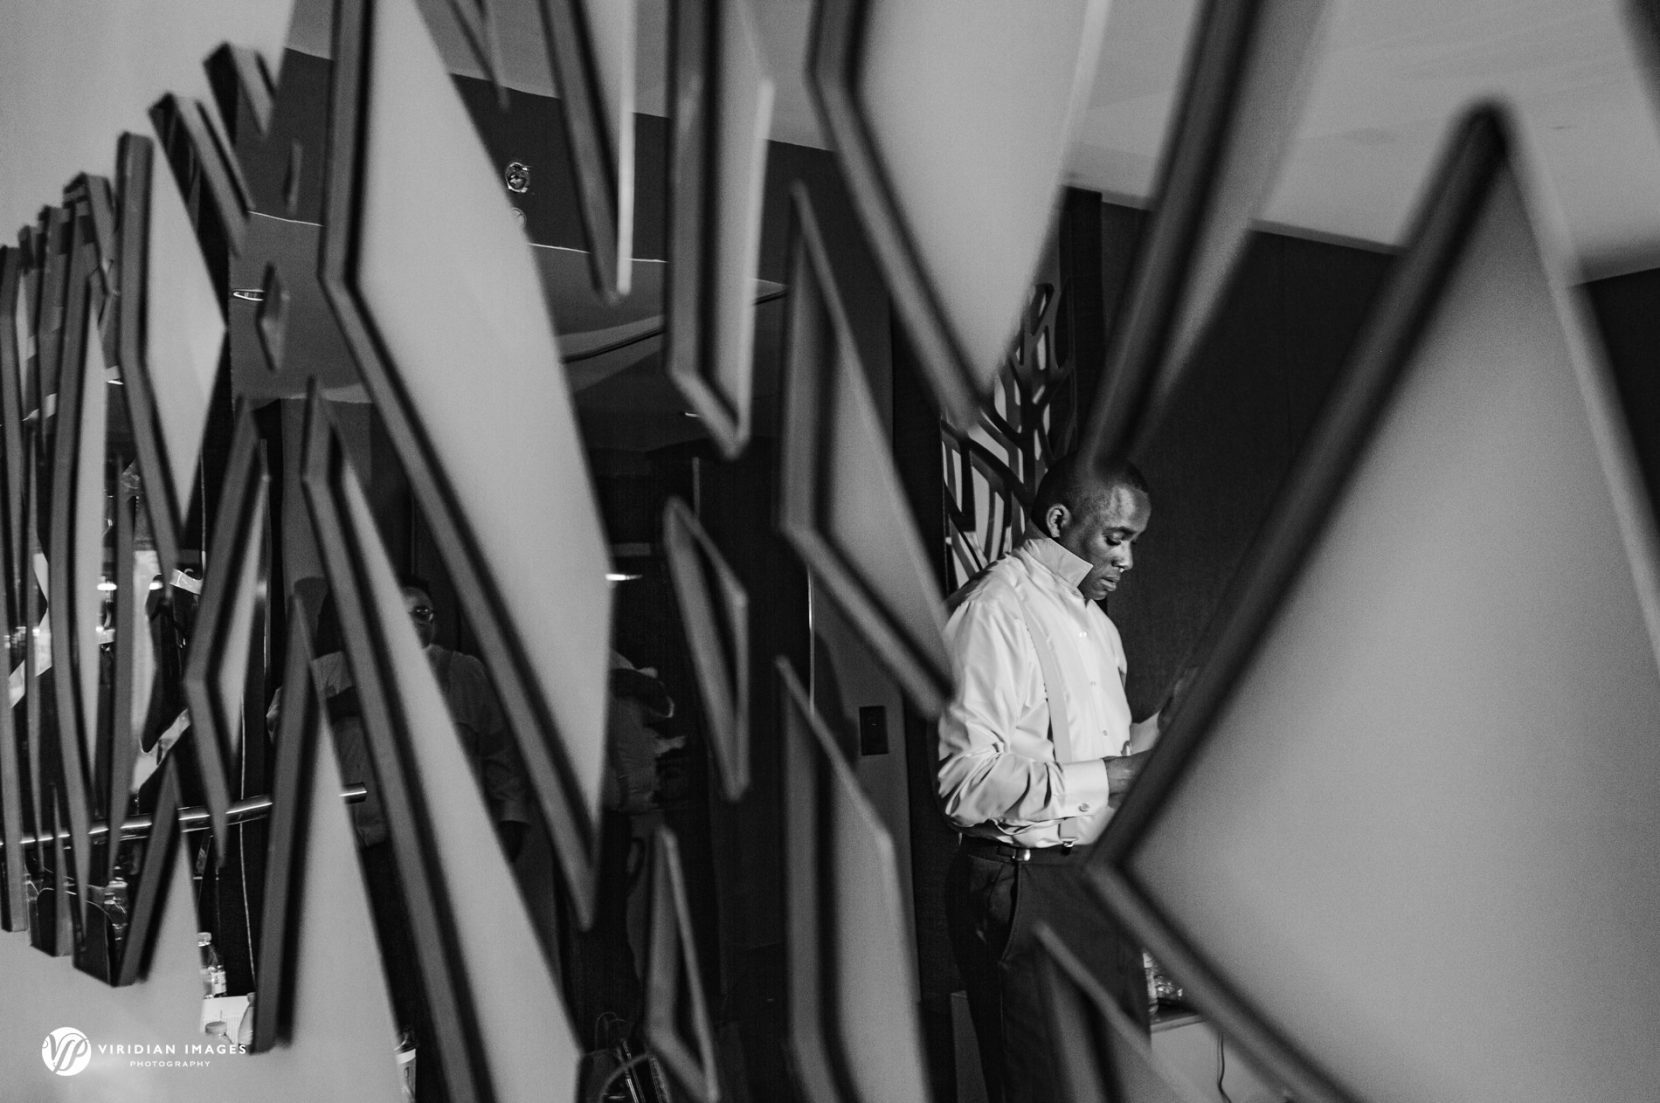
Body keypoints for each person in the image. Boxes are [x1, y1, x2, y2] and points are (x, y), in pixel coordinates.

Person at [937, 454, 1176, 1103]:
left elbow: (1101, 761)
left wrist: (1163, 730)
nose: (1127, 561)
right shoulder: (994, 611)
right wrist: (1115, 771)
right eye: (1116, 538)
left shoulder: (1096, 624)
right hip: (1023, 883)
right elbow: (965, 782)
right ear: (1061, 520)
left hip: (1092, 881)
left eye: (1134, 543)